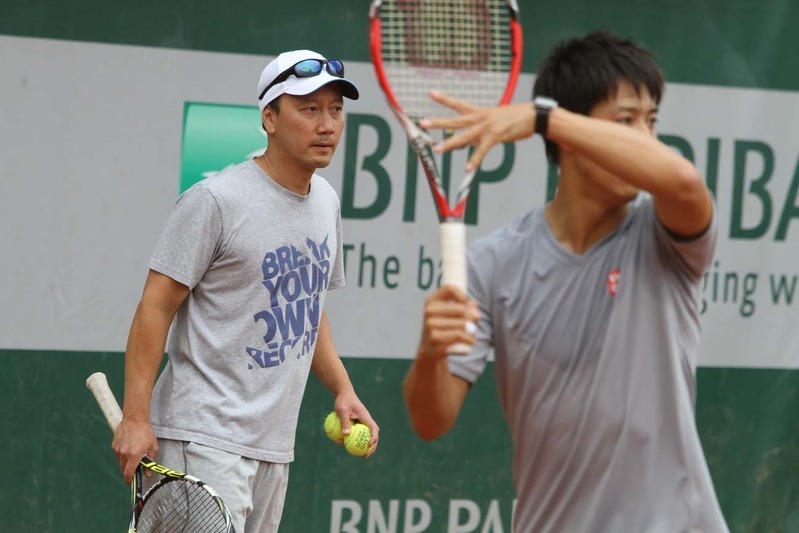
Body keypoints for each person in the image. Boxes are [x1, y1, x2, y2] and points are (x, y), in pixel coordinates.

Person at [403, 31, 728, 532]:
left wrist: (541, 116)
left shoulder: (668, 235)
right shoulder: (492, 263)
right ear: (571, 138)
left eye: (651, 122)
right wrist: (429, 354)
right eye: (626, 121)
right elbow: (431, 421)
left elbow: (683, 180)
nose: (645, 138)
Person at [112, 49, 379, 532]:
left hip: (273, 447)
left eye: (336, 110)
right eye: (309, 109)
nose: (327, 125)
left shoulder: (325, 202)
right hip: (203, 439)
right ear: (270, 118)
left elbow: (306, 307)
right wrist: (136, 416)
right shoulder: (216, 201)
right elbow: (155, 306)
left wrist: (342, 388)